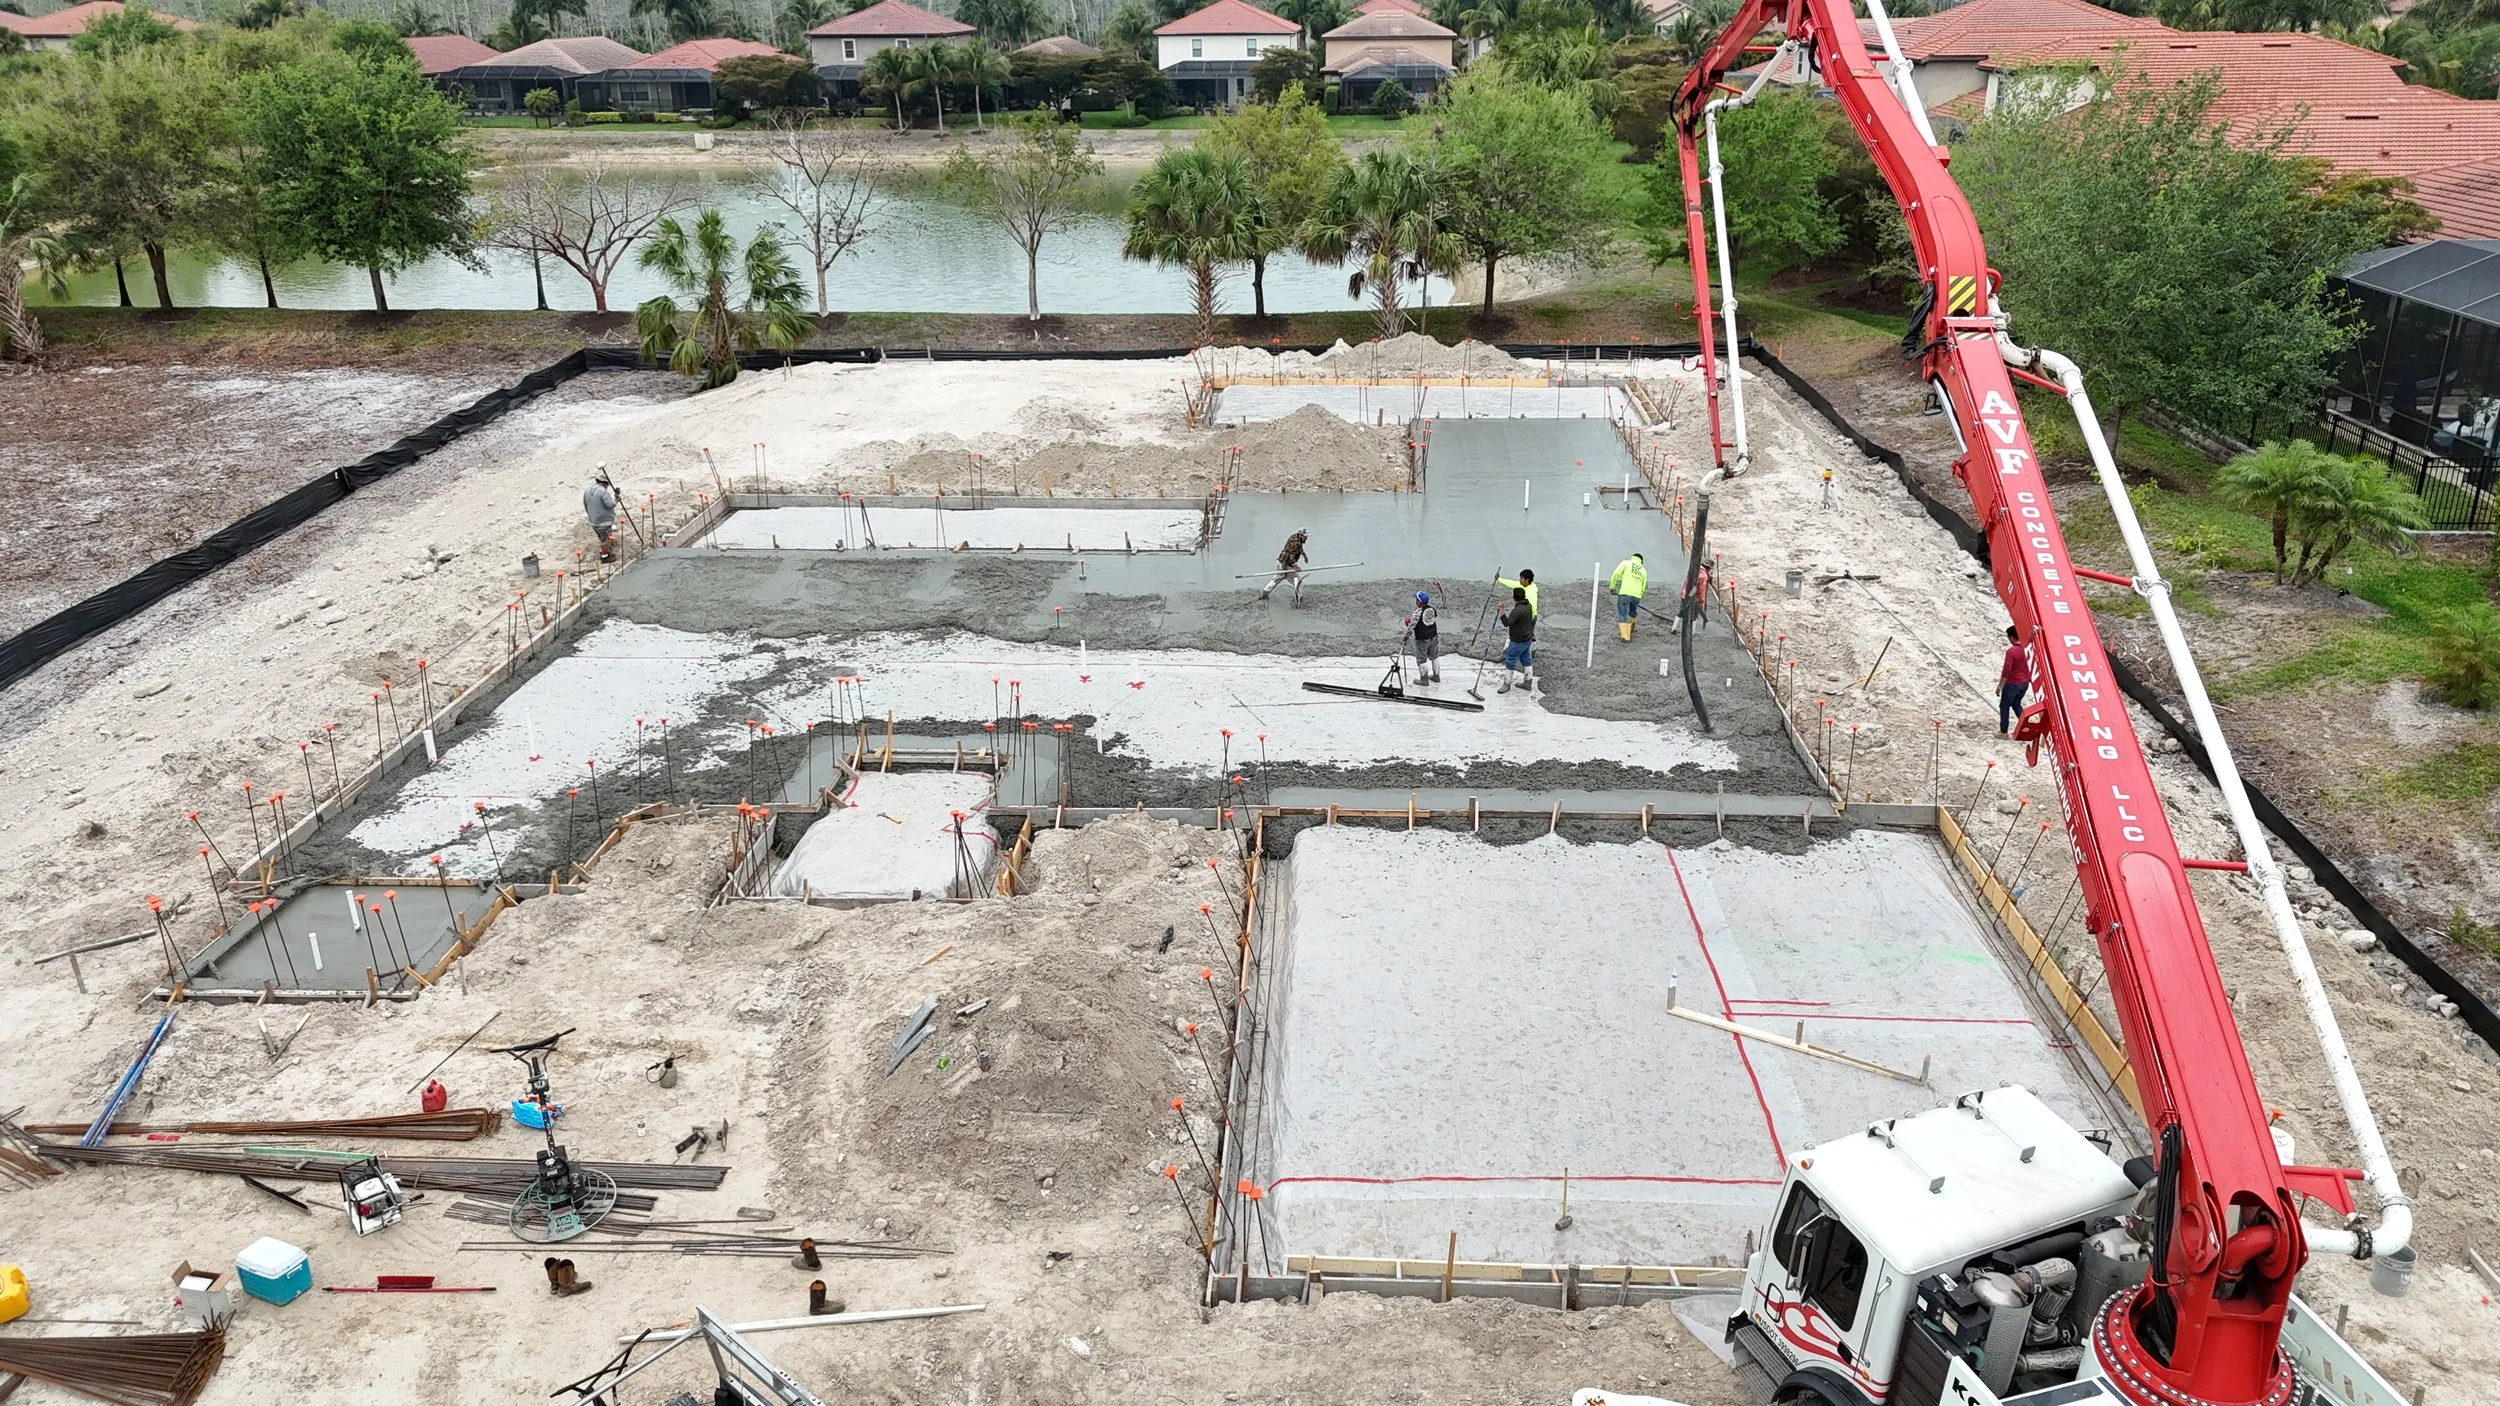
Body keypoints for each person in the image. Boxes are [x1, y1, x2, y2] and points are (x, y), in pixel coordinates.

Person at [1498, 586, 1538, 696]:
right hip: (1527, 639)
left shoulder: (1517, 610)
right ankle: (1527, 682)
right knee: (1527, 660)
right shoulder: (1529, 606)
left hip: (1517, 641)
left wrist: (1501, 610)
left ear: (1514, 598)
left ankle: (1506, 684)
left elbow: (1506, 623)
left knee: (1510, 660)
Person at [1259, 529, 1311, 602]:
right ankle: (1299, 597)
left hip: (1281, 561)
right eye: (1305, 536)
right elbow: (1290, 556)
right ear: (1301, 535)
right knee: (1297, 580)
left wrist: (1304, 554)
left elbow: (1298, 548)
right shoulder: (1296, 543)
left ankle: (1265, 592)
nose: (1306, 538)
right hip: (1286, 564)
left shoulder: (1295, 537)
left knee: (1278, 577)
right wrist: (1295, 566)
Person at [583, 466, 620, 564]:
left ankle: (608, 549)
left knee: (603, 536)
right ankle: (605, 556)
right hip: (603, 521)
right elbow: (610, 505)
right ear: (605, 483)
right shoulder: (603, 492)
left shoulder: (588, 490)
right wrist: (616, 500)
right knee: (605, 540)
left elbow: (585, 504)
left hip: (593, 520)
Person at [1999, 625, 2031, 735]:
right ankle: (2026, 728)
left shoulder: (2012, 652)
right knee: (2016, 704)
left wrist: (2000, 685)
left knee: (2004, 706)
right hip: (2024, 683)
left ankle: (2003, 732)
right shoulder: (2027, 649)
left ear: (2011, 637)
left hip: (2012, 684)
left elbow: (2006, 669)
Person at [1609, 553, 1647, 642]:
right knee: (1632, 612)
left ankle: (1626, 637)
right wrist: (1639, 595)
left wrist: (1612, 587)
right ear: (1641, 561)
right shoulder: (1643, 570)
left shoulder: (1626, 563)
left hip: (1625, 593)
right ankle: (1632, 628)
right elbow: (1643, 585)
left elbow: (1616, 573)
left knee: (1623, 614)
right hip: (1636, 595)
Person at [1405, 590, 1440, 684]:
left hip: (1422, 638)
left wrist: (1406, 634)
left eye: (1416, 600)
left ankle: (1424, 679)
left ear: (1419, 602)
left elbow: (1412, 626)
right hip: (1433, 635)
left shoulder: (1417, 612)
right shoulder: (1432, 609)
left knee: (1421, 658)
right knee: (1434, 656)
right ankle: (1436, 676)